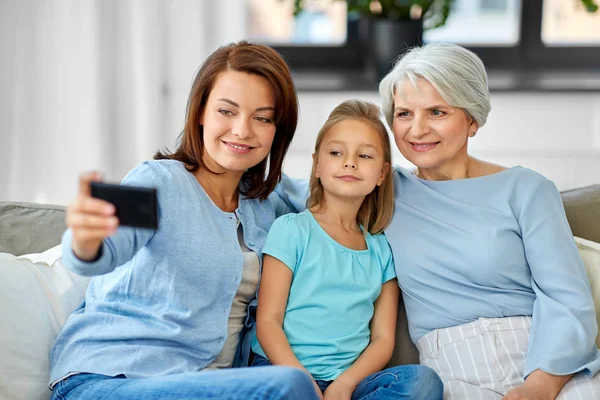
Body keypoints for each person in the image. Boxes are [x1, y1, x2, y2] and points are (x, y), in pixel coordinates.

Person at [48, 41, 319, 400]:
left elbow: (333, 194)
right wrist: (85, 240)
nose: (242, 130)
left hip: (209, 385)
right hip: (111, 379)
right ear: (202, 112)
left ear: (277, 130)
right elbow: (105, 249)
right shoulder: (157, 181)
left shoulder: (267, 203)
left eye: (262, 118)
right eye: (227, 111)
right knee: (290, 385)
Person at [377, 43, 600, 399]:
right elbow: (305, 190)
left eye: (436, 112)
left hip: (550, 369)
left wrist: (539, 386)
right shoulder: (380, 190)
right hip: (452, 373)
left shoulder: (527, 189)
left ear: (473, 119)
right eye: (404, 114)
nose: (417, 130)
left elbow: (566, 297)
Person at [251, 100, 443, 400]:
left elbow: (382, 339)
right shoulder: (291, 230)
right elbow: (268, 322)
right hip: (282, 373)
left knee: (422, 382)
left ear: (382, 174)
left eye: (365, 155)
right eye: (336, 153)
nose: (349, 162)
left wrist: (345, 384)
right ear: (317, 165)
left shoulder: (381, 249)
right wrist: (303, 384)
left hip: (349, 386)